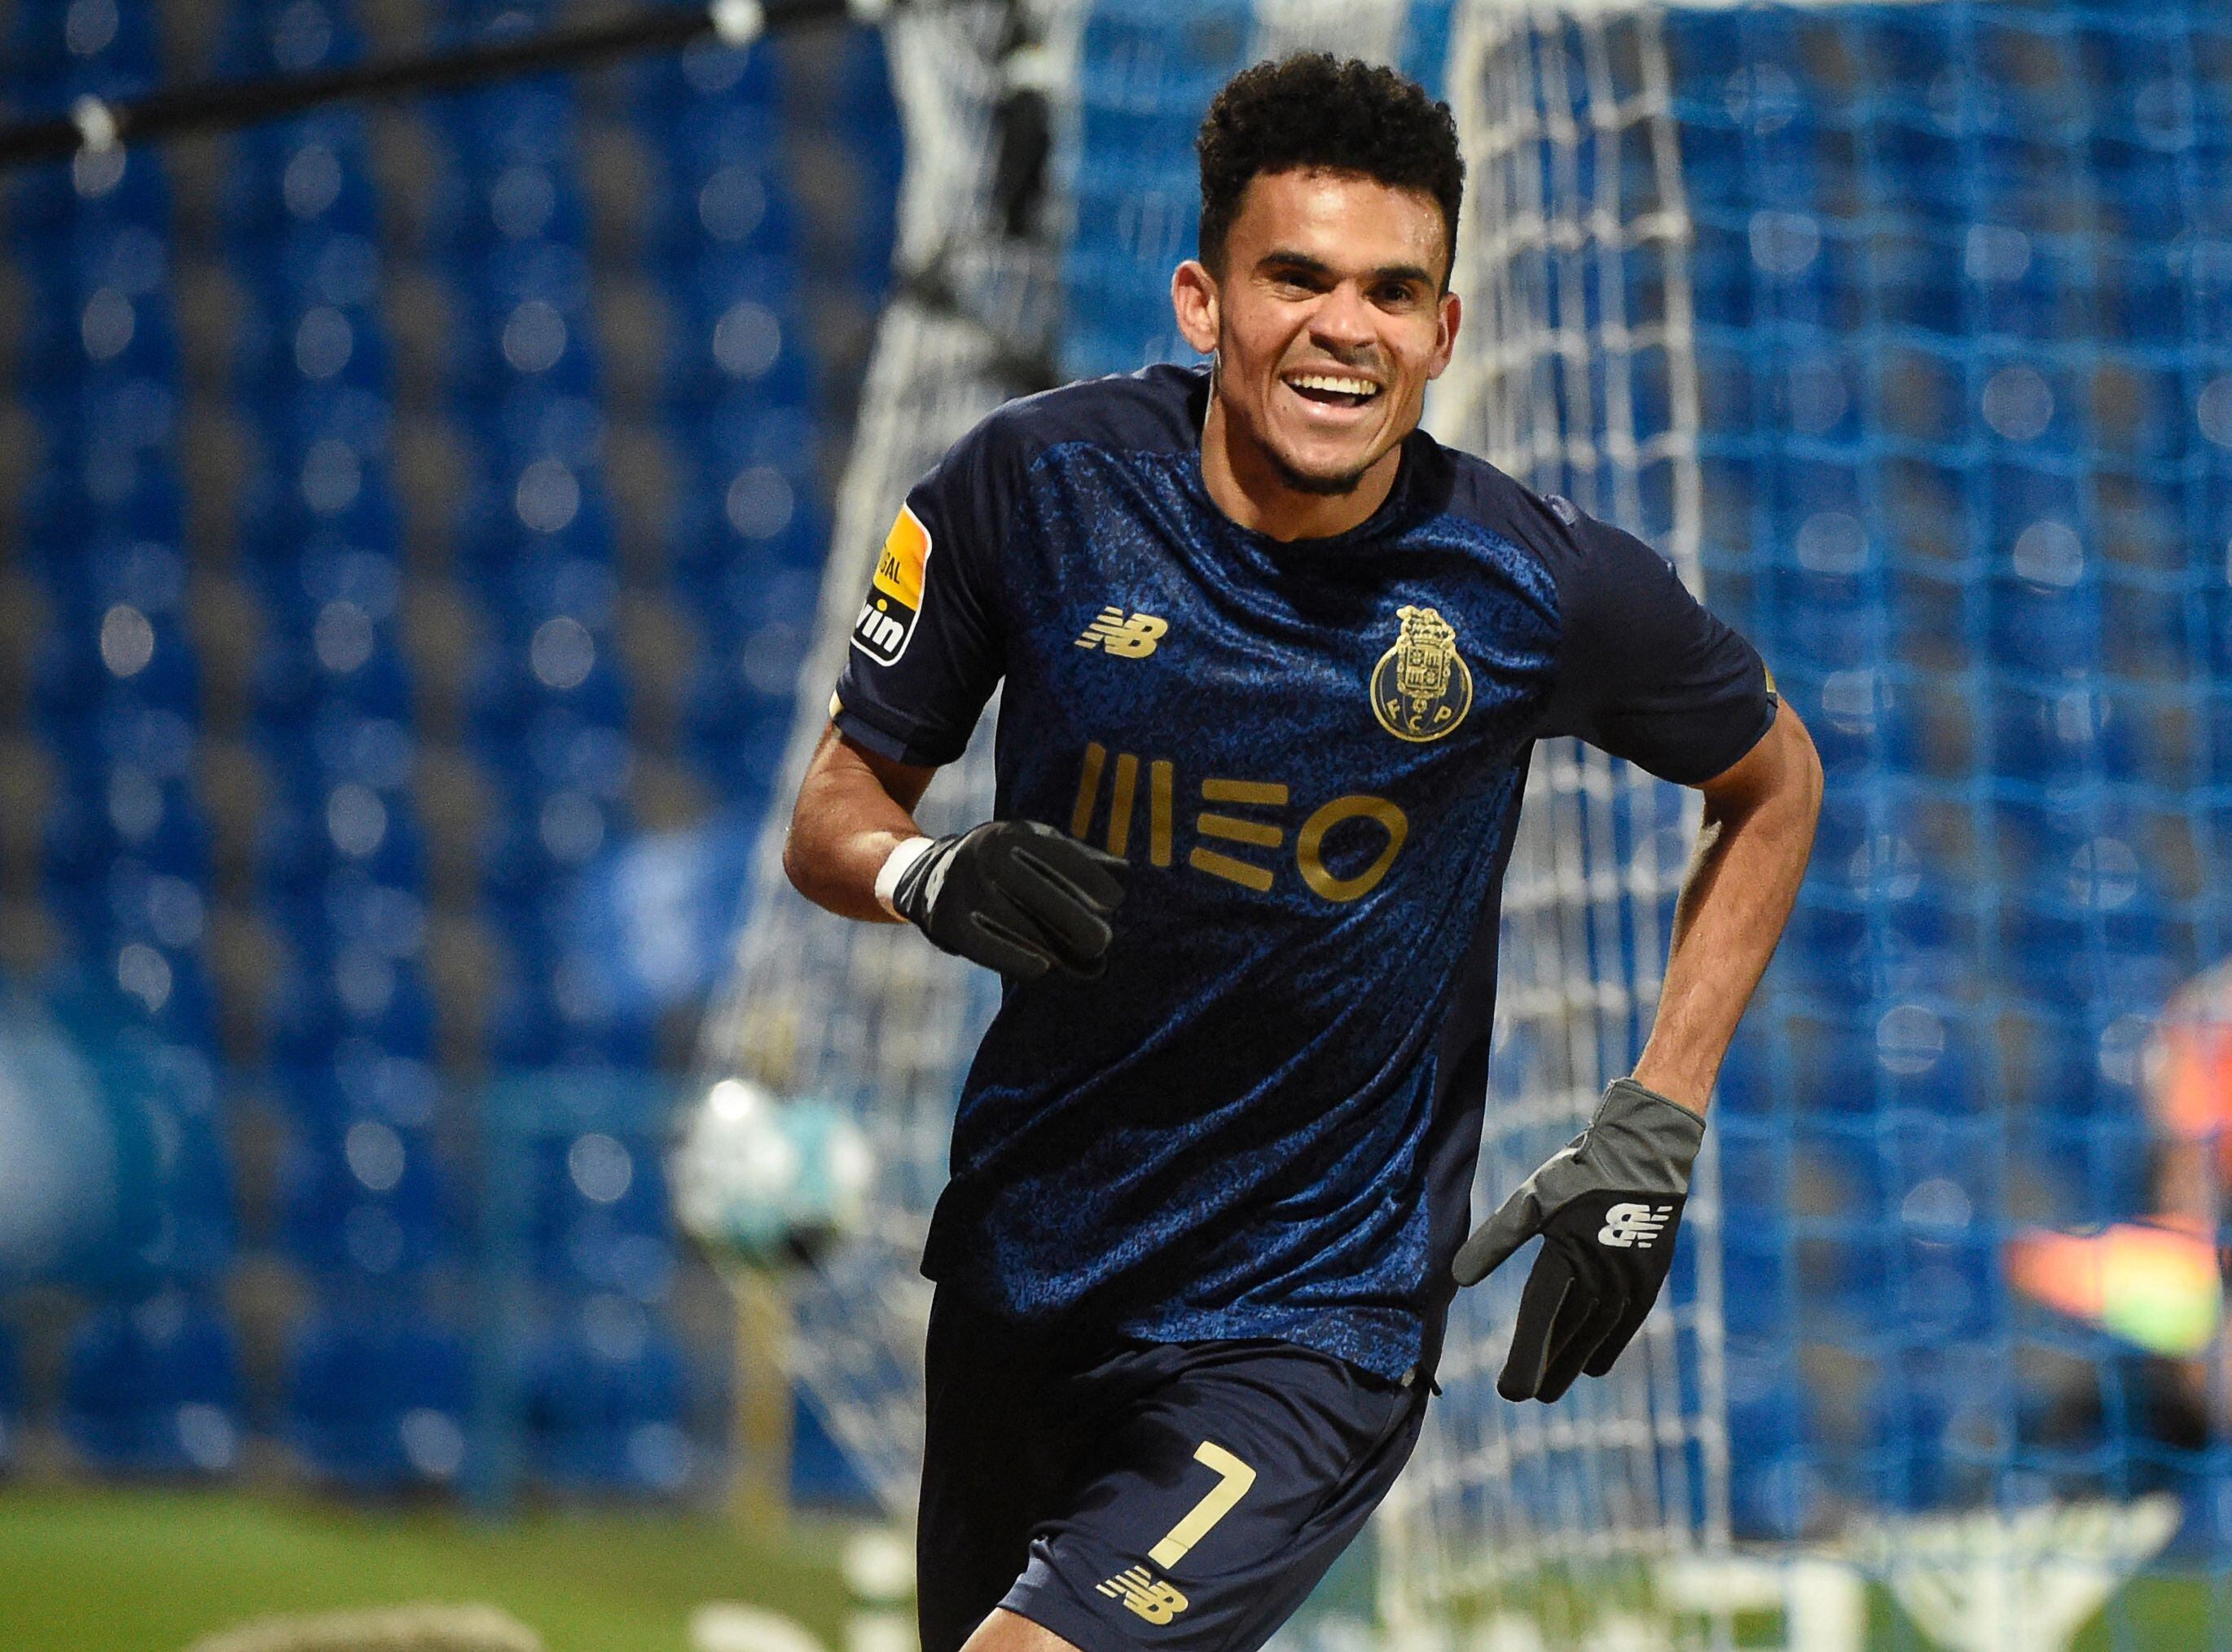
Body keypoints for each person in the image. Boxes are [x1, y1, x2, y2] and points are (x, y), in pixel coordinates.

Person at [783, 52, 1821, 1652]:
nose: (1347, 327)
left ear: (1442, 331)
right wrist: (927, 872)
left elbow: (1772, 779)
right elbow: (836, 808)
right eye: (1299, 278)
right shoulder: (1035, 488)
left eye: (1393, 291)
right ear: (1203, 303)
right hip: (1022, 1264)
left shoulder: (1531, 586)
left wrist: (1657, 1115)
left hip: (1302, 1325)